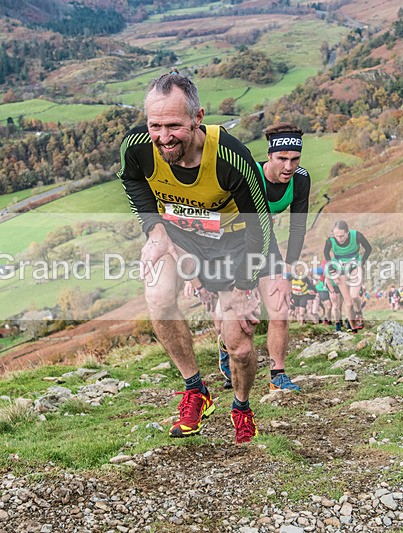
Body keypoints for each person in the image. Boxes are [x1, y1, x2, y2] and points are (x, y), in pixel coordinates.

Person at [118, 73, 284, 444]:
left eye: (174, 125)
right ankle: (196, 390)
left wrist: (244, 287)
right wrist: (155, 232)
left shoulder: (229, 157)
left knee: (239, 345)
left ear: (198, 117)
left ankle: (241, 408)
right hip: (180, 238)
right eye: (154, 125)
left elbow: (262, 228)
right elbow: (133, 183)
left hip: (235, 245)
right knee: (158, 298)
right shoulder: (137, 147)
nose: (163, 137)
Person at [218, 122, 310, 392]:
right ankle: (228, 349)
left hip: (266, 242)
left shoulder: (300, 179)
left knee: (280, 310)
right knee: (237, 316)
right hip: (233, 244)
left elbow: (298, 226)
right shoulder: (251, 174)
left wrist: (287, 271)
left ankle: (277, 375)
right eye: (282, 158)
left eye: (295, 159)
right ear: (269, 156)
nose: (288, 167)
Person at [323, 220, 372, 331]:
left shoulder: (357, 236)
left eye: (342, 236)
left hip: (355, 267)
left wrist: (361, 263)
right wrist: (332, 272)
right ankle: (354, 329)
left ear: (347, 232)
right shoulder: (330, 241)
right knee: (349, 304)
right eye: (337, 236)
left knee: (355, 296)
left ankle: (359, 313)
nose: (339, 239)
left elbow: (368, 249)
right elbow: (326, 253)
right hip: (340, 269)